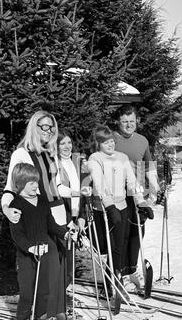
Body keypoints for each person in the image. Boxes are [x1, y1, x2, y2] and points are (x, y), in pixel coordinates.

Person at [1, 109, 78, 320]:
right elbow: (11, 186)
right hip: (38, 217)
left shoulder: (49, 153)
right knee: (48, 267)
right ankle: (41, 317)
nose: (47, 130)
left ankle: (56, 314)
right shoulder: (21, 154)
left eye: (51, 127)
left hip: (57, 214)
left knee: (62, 268)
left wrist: (78, 193)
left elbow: (56, 187)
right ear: (33, 127)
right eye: (42, 126)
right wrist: (6, 208)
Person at [9, 163, 78, 320]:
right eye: (30, 182)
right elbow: (17, 235)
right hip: (27, 257)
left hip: (44, 253)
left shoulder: (41, 201)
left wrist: (64, 233)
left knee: (44, 290)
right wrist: (30, 248)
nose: (35, 186)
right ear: (19, 183)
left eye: (36, 182)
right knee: (28, 293)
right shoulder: (16, 205)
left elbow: (51, 224)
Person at [87, 125, 153, 293]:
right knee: (111, 246)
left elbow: (132, 182)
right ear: (98, 143)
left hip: (122, 206)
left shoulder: (122, 157)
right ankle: (110, 281)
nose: (110, 145)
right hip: (105, 209)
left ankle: (118, 276)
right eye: (105, 142)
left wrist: (141, 202)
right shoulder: (95, 159)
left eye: (111, 141)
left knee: (121, 245)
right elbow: (99, 185)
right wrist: (109, 206)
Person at [113, 104, 160, 291]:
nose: (128, 125)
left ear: (136, 121)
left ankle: (132, 270)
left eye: (131, 121)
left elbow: (149, 167)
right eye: (125, 122)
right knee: (121, 234)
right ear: (118, 122)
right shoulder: (111, 139)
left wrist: (155, 189)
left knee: (138, 233)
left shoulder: (142, 140)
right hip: (118, 193)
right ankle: (120, 272)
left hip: (138, 193)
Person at [56, 131, 86, 286]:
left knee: (69, 262)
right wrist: (70, 220)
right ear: (56, 146)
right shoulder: (55, 163)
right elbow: (57, 191)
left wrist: (82, 216)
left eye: (69, 142)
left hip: (75, 216)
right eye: (62, 143)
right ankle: (56, 298)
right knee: (63, 260)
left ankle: (61, 295)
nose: (67, 146)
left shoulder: (76, 161)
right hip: (62, 217)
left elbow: (84, 191)